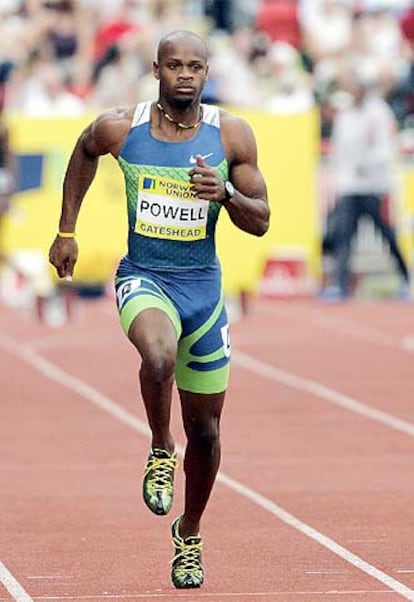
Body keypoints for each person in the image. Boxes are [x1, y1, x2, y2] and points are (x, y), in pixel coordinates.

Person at [48, 30, 269, 589]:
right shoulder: (122, 127)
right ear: (156, 71)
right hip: (145, 277)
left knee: (211, 434)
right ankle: (159, 446)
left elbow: (262, 219)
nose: (185, 75)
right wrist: (66, 229)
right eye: (175, 66)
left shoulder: (232, 135)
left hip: (205, 291)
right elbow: (83, 150)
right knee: (157, 353)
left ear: (208, 72)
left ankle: (189, 533)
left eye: (195, 66)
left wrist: (224, 195)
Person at [324, 69, 410, 299]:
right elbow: (338, 149)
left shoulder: (378, 112)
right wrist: (339, 179)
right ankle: (341, 284)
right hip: (350, 186)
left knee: (387, 235)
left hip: (375, 185)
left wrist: (368, 162)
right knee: (344, 236)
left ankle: (406, 279)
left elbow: (387, 145)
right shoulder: (345, 114)